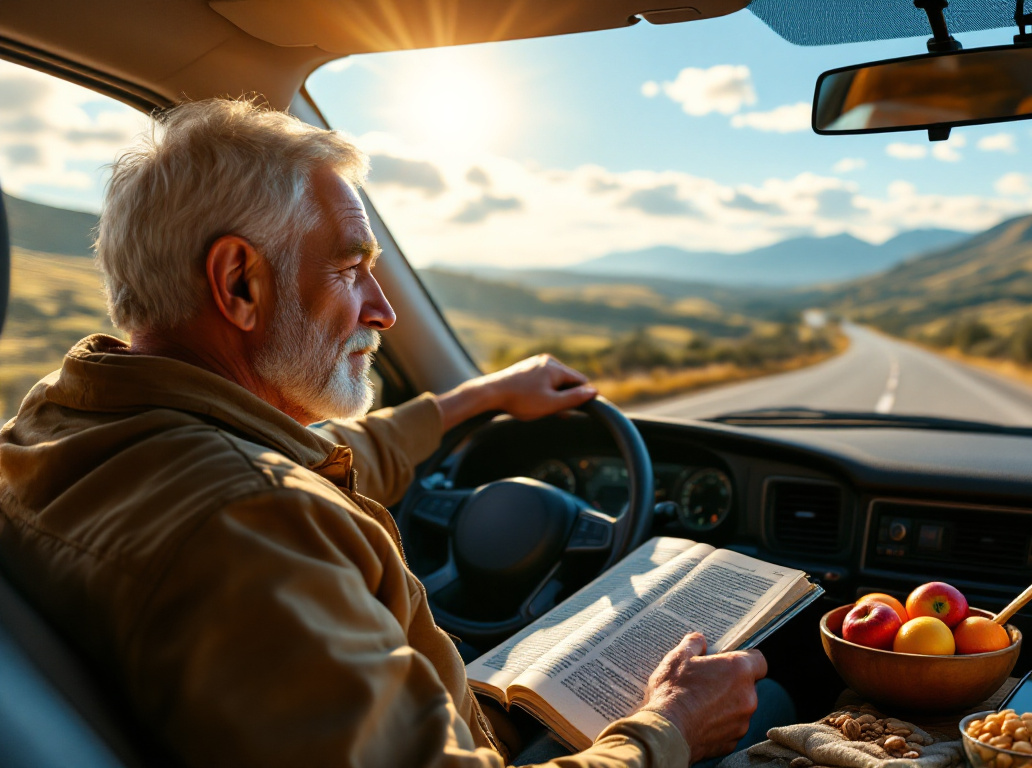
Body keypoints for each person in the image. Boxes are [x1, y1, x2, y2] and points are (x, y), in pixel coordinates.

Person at [0, 98, 768, 768]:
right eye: (349, 268)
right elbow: (269, 493)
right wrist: (668, 729)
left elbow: (323, 461)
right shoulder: (255, 522)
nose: (384, 310)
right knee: (767, 708)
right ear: (239, 283)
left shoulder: (64, 427)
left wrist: (481, 397)